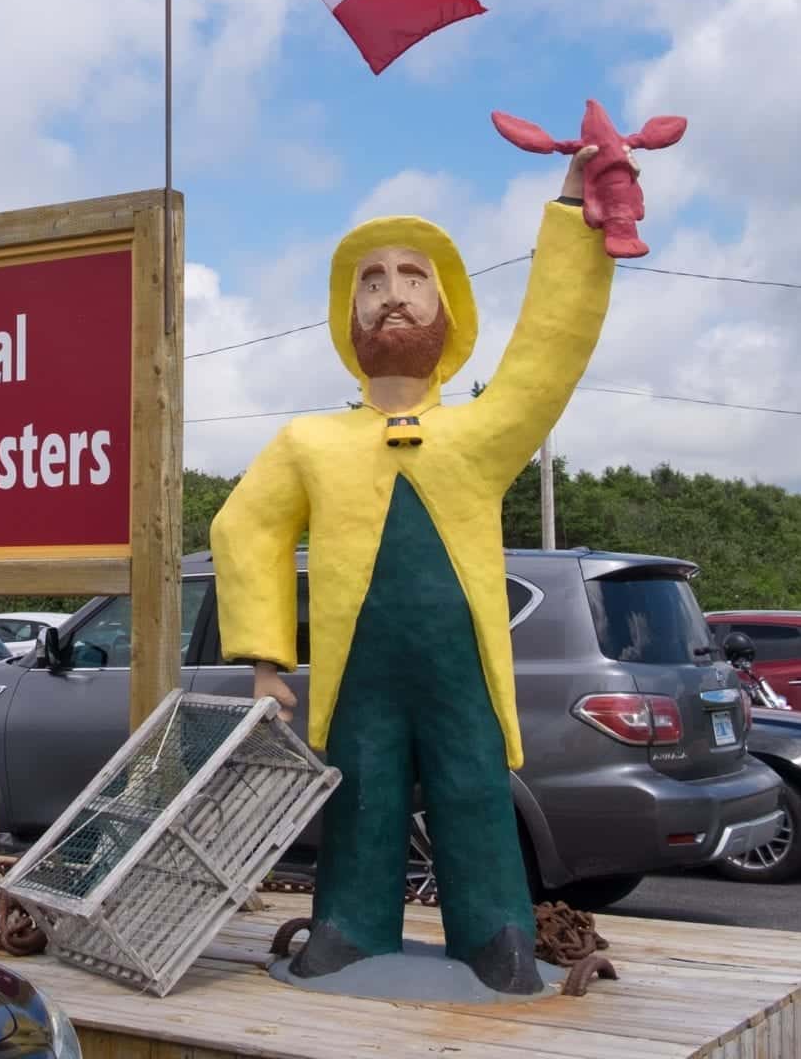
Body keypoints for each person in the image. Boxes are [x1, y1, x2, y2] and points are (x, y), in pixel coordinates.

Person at [211, 143, 627, 995]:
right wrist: (262, 660)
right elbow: (242, 524)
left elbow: (549, 352)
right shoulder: (308, 444)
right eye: (371, 279)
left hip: (461, 668)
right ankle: (349, 928)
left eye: (413, 275)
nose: (392, 292)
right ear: (346, 313)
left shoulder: (483, 432)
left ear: (448, 304)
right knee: (360, 794)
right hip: (358, 672)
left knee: (474, 787)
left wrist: (572, 211)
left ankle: (499, 934)